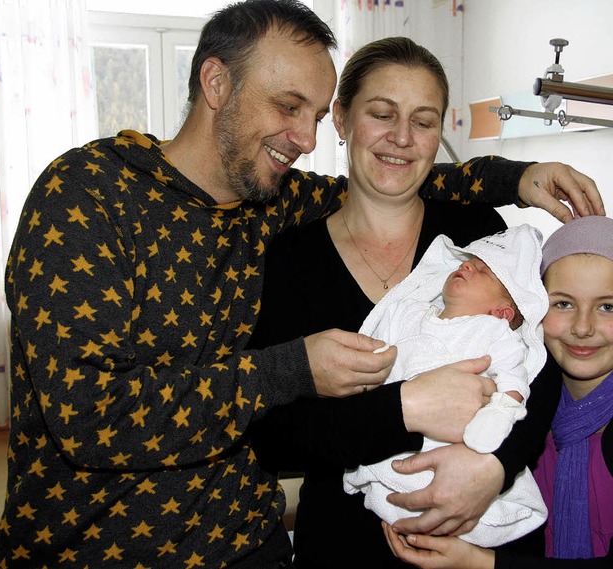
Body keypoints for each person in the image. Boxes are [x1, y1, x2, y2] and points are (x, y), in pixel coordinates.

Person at [0, 0, 604, 566]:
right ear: (215, 83)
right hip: (100, 550)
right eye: (288, 107)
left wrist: (516, 174)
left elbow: (408, 178)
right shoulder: (92, 195)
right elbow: (91, 417)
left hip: (249, 543)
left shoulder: (276, 200)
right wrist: (306, 375)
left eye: (312, 115)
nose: (306, 140)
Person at [246, 36, 603, 569]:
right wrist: (404, 408)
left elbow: (539, 368)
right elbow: (274, 437)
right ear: (341, 120)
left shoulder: (478, 233)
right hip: (348, 548)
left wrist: (494, 468)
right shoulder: (293, 260)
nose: (402, 138)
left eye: (424, 120)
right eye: (382, 114)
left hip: (481, 547)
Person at [383, 214, 613, 567]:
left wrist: (480, 562)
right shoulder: (530, 413)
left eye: (608, 306)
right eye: (563, 303)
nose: (583, 327)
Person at [344, 225, 550, 548]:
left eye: (482, 271)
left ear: (502, 312)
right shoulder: (409, 313)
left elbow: (514, 378)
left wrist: (502, 408)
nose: (466, 265)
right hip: (398, 434)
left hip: (461, 450)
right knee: (387, 474)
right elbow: (378, 358)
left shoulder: (494, 333)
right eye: (466, 262)